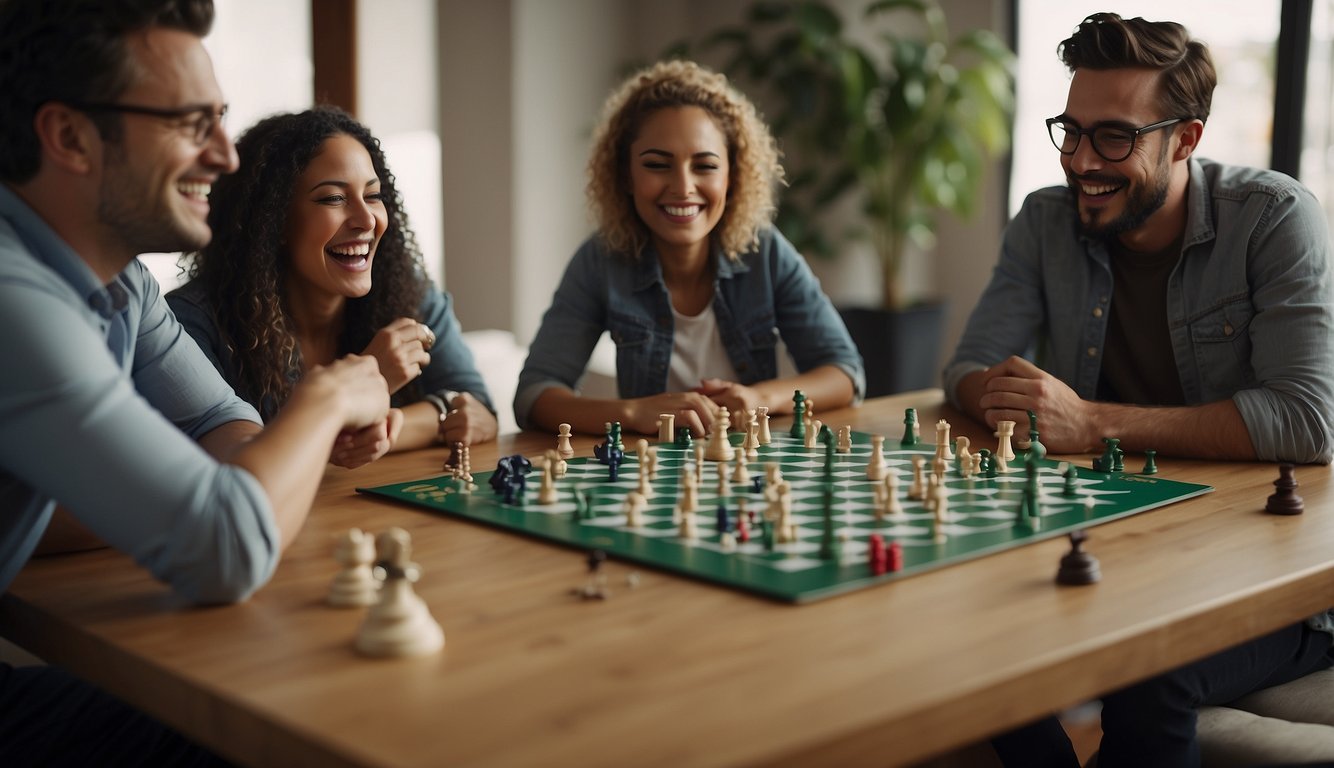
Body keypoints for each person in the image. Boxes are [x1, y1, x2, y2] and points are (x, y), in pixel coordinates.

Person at [0, 0, 390, 763]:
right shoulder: (13, 297)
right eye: (188, 123)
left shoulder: (123, 283)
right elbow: (224, 546)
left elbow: (224, 420)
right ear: (70, 137)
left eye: (221, 118)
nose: (227, 155)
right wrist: (331, 394)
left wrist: (254, 461)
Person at [942, 13, 1334, 768]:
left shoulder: (1275, 219)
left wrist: (1090, 423)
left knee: (1146, 676)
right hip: (1120, 545)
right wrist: (999, 391)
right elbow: (965, 367)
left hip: (1272, 577)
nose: (1083, 160)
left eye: (1114, 136)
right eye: (1072, 130)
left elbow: (1306, 419)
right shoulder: (1045, 220)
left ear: (1183, 139)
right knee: (970, 642)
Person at [515, 60, 864, 437]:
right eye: (657, 165)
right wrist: (632, 413)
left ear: (733, 177)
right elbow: (535, 395)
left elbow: (844, 373)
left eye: (705, 166)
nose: (683, 187)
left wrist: (761, 398)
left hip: (751, 474)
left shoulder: (765, 253)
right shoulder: (601, 261)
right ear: (626, 176)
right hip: (651, 481)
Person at [168, 107, 498, 461]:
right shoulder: (191, 324)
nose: (365, 218)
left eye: (373, 196)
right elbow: (234, 461)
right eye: (333, 199)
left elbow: (479, 412)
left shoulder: (409, 293)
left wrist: (386, 427)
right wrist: (367, 383)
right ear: (273, 221)